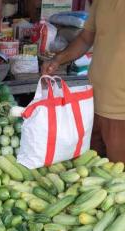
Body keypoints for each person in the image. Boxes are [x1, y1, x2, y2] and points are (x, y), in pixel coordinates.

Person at [42, 0, 125, 162]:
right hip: (92, 103)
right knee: (91, 175)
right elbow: (86, 38)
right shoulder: (102, 2)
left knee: (119, 180)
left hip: (120, 111)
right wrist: (58, 60)